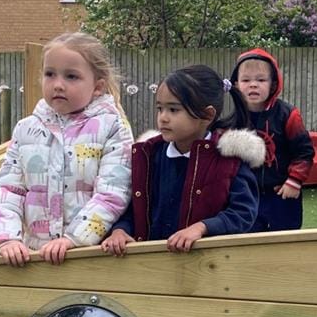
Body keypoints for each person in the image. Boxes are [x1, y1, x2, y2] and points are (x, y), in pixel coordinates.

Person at [0, 32, 133, 266]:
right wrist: (6, 239)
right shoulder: (27, 130)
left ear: (97, 87)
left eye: (71, 76)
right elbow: (7, 189)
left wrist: (73, 239)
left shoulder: (112, 127)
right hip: (35, 255)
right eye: (50, 74)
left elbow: (113, 192)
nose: (58, 84)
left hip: (92, 256)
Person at [101, 65, 264, 255]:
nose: (163, 118)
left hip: (208, 269)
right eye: (160, 108)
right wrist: (120, 230)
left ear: (208, 115)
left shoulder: (229, 160)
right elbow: (132, 206)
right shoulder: (148, 156)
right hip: (152, 267)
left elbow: (243, 213)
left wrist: (202, 228)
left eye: (173, 109)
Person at [229, 49, 314, 231]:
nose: (253, 85)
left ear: (273, 83)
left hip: (282, 192)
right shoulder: (233, 120)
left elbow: (304, 152)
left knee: (285, 240)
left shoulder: (289, 115)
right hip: (247, 194)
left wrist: (295, 180)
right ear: (236, 85)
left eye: (260, 80)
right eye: (246, 80)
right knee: (246, 240)